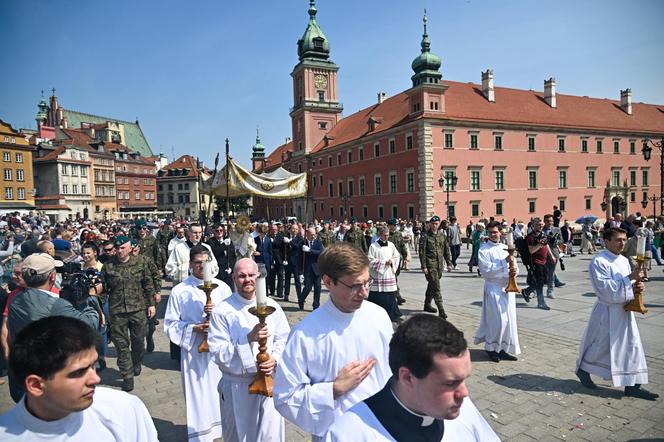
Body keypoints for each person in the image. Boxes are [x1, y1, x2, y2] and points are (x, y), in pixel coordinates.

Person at [273, 242, 393, 440]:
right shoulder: (305, 334)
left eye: (366, 282)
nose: (364, 292)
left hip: (383, 430)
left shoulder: (379, 316)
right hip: (336, 434)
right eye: (354, 286)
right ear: (328, 282)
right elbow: (285, 397)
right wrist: (333, 390)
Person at [324, 315, 499, 441]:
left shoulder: (462, 409)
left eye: (464, 379)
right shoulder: (348, 434)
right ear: (408, 378)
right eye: (450, 383)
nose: (464, 393)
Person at [0, 316, 158, 441]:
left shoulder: (123, 408)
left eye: (93, 365)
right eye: (78, 373)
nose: (95, 379)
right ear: (36, 385)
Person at [207, 258, 290, 442]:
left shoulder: (272, 306)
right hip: (238, 386)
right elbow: (218, 352)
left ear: (258, 276)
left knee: (270, 436)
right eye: (242, 276)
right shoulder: (222, 311)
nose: (247, 280)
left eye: (251, 275)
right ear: (234, 278)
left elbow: (284, 339)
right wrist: (247, 339)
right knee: (239, 435)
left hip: (269, 382)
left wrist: (274, 359)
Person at [576, 227, 658, 401]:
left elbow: (630, 282)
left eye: (624, 239)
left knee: (631, 346)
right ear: (606, 242)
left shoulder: (623, 260)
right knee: (601, 346)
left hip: (624, 310)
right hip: (607, 311)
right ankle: (583, 369)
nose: (622, 243)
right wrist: (630, 279)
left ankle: (633, 385)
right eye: (618, 240)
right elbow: (606, 290)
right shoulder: (599, 261)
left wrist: (637, 286)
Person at [164, 244, 232, 442]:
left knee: (221, 393)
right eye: (197, 263)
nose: (202, 267)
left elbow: (233, 318)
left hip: (219, 352)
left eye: (205, 262)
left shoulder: (223, 288)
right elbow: (170, 324)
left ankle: (225, 428)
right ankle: (201, 435)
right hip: (195, 352)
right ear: (191, 264)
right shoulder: (180, 291)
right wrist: (194, 328)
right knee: (199, 395)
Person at [101, 236, 155, 392]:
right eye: (117, 248)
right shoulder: (108, 266)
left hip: (138, 309)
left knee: (138, 342)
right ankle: (127, 376)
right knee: (122, 346)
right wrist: (101, 309)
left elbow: (148, 283)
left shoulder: (141, 263)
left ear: (130, 248)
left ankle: (136, 361)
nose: (119, 251)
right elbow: (103, 289)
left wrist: (151, 303)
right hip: (117, 312)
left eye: (123, 248)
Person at [474, 221, 520, 363]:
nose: (493, 234)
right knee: (498, 320)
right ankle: (491, 348)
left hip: (508, 287)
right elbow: (486, 271)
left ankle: (503, 349)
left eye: (495, 232)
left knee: (509, 321)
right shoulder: (484, 250)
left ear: (500, 232)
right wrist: (504, 262)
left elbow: (516, 266)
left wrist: (514, 271)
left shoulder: (506, 247)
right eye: (491, 232)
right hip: (493, 287)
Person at [418, 216, 452, 318]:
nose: (434, 225)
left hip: (440, 265)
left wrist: (449, 263)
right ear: (430, 224)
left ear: (439, 224)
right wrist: (424, 266)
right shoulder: (425, 236)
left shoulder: (442, 235)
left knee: (432, 285)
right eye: (433, 224)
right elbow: (422, 253)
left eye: (436, 224)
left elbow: (446, 250)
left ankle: (427, 304)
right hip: (430, 265)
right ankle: (441, 311)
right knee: (436, 287)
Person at [367, 226, 402, 323]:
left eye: (388, 235)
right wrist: (383, 263)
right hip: (378, 275)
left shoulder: (391, 245)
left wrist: (392, 261)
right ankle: (375, 315)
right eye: (385, 235)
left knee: (390, 295)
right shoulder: (373, 246)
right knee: (378, 296)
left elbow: (397, 256)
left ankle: (392, 315)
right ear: (380, 235)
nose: (387, 237)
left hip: (389, 274)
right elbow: (370, 260)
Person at [521, 218, 552, 311]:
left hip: (544, 261)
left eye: (542, 225)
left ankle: (526, 291)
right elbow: (531, 250)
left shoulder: (542, 234)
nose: (541, 226)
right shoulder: (530, 237)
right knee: (540, 283)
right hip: (536, 262)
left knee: (542, 282)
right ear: (533, 225)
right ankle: (541, 302)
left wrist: (552, 256)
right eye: (538, 225)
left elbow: (546, 245)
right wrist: (540, 244)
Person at [299, 226, 323, 310]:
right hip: (307, 270)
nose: (313, 236)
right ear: (307, 234)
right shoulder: (303, 242)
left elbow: (321, 252)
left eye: (314, 234)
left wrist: (310, 250)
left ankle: (316, 306)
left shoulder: (318, 242)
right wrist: (300, 272)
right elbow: (299, 258)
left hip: (317, 269)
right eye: (311, 235)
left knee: (317, 288)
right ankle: (301, 299)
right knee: (307, 288)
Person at [207, 222, 236, 291]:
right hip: (218, 272)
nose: (219, 232)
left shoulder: (228, 240)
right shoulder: (211, 241)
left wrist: (232, 268)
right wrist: (224, 244)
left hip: (228, 272)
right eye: (217, 231)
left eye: (221, 230)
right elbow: (215, 252)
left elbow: (233, 256)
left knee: (230, 291)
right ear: (214, 232)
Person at [386, 219, 407, 305]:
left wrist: (405, 257)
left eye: (396, 225)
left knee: (395, 277)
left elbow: (402, 245)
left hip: (398, 260)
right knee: (393, 278)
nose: (395, 227)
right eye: (393, 225)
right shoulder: (386, 235)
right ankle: (398, 297)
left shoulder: (398, 234)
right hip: (389, 261)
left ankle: (392, 295)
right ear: (389, 226)